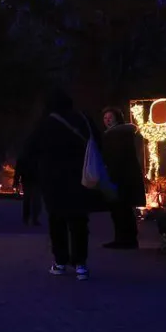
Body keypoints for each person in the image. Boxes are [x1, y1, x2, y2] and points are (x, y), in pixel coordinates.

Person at [20, 90, 99, 280]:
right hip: (80, 177)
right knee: (79, 221)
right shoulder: (83, 119)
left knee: (57, 220)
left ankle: (60, 261)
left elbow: (30, 149)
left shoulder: (45, 123)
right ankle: (80, 263)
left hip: (53, 180)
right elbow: (97, 142)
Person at [101, 106, 145, 249]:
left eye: (110, 118)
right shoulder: (121, 133)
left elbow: (117, 156)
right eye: (105, 118)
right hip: (125, 175)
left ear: (117, 118)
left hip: (121, 176)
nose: (107, 121)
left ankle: (124, 239)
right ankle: (126, 239)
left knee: (120, 209)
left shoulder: (117, 135)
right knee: (122, 209)